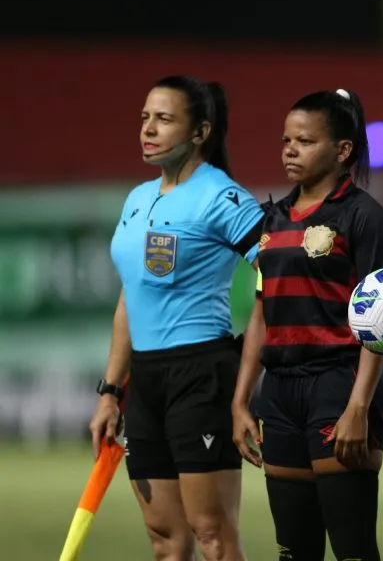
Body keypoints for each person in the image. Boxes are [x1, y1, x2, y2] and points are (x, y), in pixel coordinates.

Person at [89, 76, 265, 560]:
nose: (148, 129)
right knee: (165, 541)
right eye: (145, 117)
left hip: (201, 376)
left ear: (200, 131)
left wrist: (246, 386)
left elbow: (276, 279)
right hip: (144, 384)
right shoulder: (138, 198)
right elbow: (132, 296)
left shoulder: (222, 198)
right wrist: (109, 391)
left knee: (213, 535)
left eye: (164, 119)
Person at [230, 89, 383, 561]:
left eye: (304, 140)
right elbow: (262, 311)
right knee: (294, 551)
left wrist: (358, 406)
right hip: (280, 393)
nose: (289, 149)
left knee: (353, 549)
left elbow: (380, 323)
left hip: (338, 385)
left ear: (343, 151)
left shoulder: (363, 217)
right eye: (286, 140)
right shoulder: (273, 220)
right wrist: (242, 400)